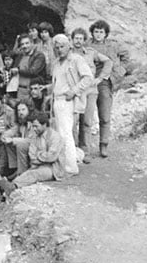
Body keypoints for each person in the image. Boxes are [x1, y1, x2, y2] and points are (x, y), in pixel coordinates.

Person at [51, 34, 93, 175]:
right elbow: (58, 83)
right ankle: (72, 158)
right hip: (57, 100)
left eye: (62, 46)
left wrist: (74, 91)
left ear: (69, 45)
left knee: (65, 134)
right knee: (61, 133)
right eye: (57, 48)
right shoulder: (57, 63)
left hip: (67, 101)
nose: (59, 50)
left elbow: (88, 77)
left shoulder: (76, 59)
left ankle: (70, 168)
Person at [89, 20, 130, 157]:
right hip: (88, 82)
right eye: (96, 31)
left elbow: (126, 55)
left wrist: (121, 71)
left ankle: (103, 144)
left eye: (101, 32)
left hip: (105, 82)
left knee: (104, 114)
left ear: (106, 33)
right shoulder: (87, 45)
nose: (98, 35)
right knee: (85, 115)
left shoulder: (113, 45)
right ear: (92, 33)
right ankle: (84, 146)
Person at [71, 27, 112, 160]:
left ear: (84, 40)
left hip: (90, 91)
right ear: (72, 40)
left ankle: (85, 151)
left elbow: (108, 61)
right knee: (73, 122)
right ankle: (73, 150)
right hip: (75, 91)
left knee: (87, 121)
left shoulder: (90, 52)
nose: (78, 41)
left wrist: (100, 78)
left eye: (81, 38)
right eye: (76, 38)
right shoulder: (68, 53)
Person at [0, 113, 66, 193]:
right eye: (33, 126)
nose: (34, 129)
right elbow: (32, 156)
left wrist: (38, 155)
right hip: (39, 165)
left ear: (44, 124)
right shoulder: (35, 136)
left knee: (34, 174)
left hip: (53, 169)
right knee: (26, 173)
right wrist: (42, 156)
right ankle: (9, 187)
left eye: (36, 126)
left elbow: (52, 157)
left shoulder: (55, 136)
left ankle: (12, 187)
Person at [1, 101, 36, 176]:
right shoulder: (22, 123)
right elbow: (13, 130)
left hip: (35, 149)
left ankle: (22, 172)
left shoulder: (34, 122)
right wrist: (5, 135)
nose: (20, 112)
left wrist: (13, 140)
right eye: (19, 110)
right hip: (25, 147)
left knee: (19, 144)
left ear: (29, 110)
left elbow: (32, 141)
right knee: (8, 142)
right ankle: (15, 168)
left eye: (23, 110)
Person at [11, 33, 47, 100]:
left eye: (27, 43)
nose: (25, 46)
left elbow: (33, 71)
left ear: (32, 43)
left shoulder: (39, 56)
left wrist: (18, 70)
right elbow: (13, 69)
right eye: (22, 44)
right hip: (20, 91)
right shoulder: (19, 56)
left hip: (33, 91)